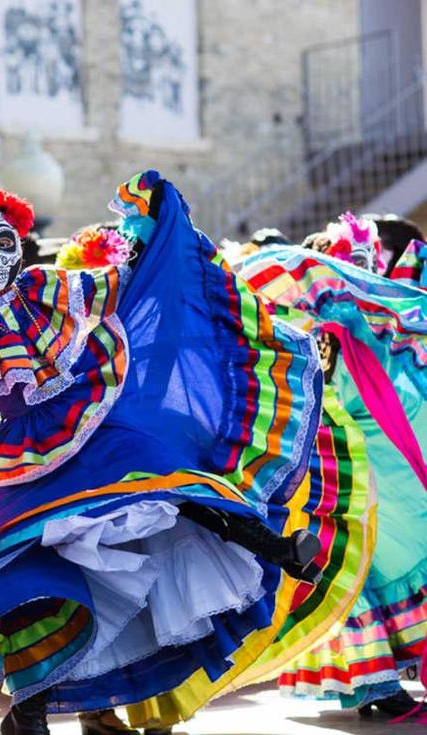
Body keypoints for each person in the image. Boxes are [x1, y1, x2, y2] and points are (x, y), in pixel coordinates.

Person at [0, 172, 329, 735]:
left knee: (162, 479)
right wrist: (14, 402)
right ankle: (29, 710)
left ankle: (273, 545)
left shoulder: (42, 287)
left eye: (3, 241)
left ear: (20, 247)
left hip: (88, 415)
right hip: (24, 458)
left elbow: (110, 287)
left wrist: (147, 240)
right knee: (37, 573)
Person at [240, 213, 426, 719]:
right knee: (348, 567)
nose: (363, 275)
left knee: (371, 561)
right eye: (354, 265)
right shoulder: (313, 329)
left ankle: (380, 681)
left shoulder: (365, 329)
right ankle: (373, 683)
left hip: (369, 463)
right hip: (329, 467)